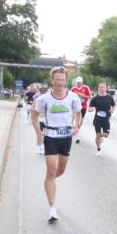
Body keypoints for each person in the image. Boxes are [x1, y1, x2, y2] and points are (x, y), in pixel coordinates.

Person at [31, 67, 82, 222]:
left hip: (66, 136)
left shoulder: (73, 97)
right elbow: (34, 115)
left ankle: (49, 181)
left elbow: (78, 113)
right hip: (51, 136)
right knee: (52, 171)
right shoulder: (44, 99)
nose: (60, 82)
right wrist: (38, 133)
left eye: (62, 80)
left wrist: (76, 125)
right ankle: (52, 208)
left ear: (66, 80)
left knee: (61, 170)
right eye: (57, 79)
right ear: (52, 80)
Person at [89, 83, 115, 156]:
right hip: (97, 119)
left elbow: (113, 105)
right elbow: (90, 107)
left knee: (106, 135)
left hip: (106, 119)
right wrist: (90, 109)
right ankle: (99, 150)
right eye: (100, 87)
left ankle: (100, 137)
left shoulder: (109, 97)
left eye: (103, 87)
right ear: (98, 88)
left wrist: (112, 110)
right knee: (97, 134)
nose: (102, 88)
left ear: (106, 88)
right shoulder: (95, 98)